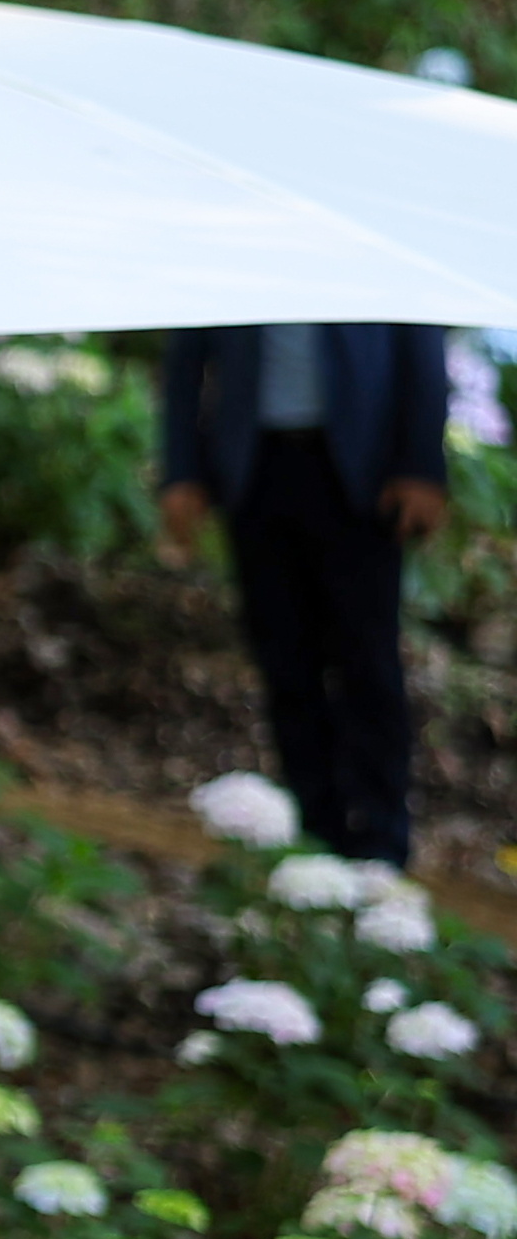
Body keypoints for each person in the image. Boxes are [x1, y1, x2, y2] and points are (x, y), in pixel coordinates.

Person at [158, 321, 456, 866]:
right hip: (255, 472)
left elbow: (421, 344)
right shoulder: (230, 254)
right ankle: (312, 832)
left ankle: (382, 840)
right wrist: (182, 471)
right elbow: (185, 358)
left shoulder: (366, 251)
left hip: (360, 477)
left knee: (368, 662)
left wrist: (421, 465)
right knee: (284, 660)